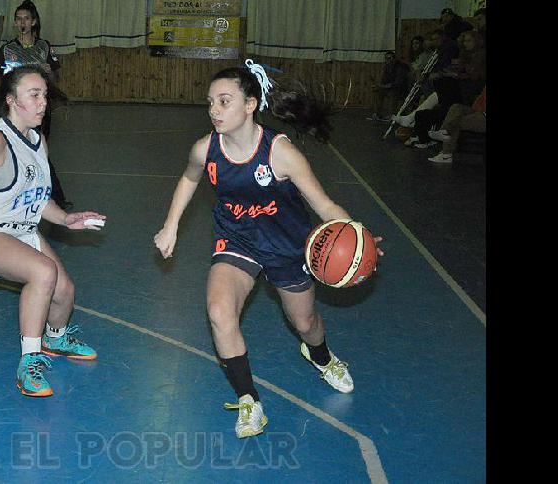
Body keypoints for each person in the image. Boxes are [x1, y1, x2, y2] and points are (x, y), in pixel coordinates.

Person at [153, 60, 385, 438]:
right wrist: (171, 224)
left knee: (305, 324)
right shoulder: (205, 149)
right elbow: (189, 178)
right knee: (218, 311)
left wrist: (356, 235)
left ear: (250, 105)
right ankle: (249, 400)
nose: (214, 110)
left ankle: (322, 356)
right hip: (238, 241)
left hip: (288, 248)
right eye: (210, 102)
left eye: (224, 101)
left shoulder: (280, 153)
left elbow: (324, 207)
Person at [0, 65, 106, 398]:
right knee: (43, 273)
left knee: (65, 293)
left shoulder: (38, 140)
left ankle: (55, 337)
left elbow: (35, 195)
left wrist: (65, 219)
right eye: (34, 95)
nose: (42, 102)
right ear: (11, 100)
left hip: (19, 227)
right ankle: (28, 363)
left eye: (44, 95)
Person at [0, 0, 72, 210]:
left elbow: (53, 77)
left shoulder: (44, 47)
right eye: (18, 19)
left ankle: (54, 198)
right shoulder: (7, 50)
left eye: (26, 18)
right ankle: (7, 193)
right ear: (15, 23)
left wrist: (48, 72)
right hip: (16, 110)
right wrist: (6, 92)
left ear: (33, 22)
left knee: (38, 149)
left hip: (38, 110)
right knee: (11, 148)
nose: (22, 22)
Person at [426, 86, 486, 163]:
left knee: (456, 121)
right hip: (478, 111)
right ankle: (443, 131)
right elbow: (479, 101)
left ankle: (446, 154)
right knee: (456, 107)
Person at [371, 51, 410, 121]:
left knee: (393, 93)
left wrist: (383, 86)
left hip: (401, 89)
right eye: (386, 58)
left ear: (394, 59)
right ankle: (377, 114)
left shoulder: (400, 67)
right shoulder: (386, 67)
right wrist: (379, 86)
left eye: (390, 58)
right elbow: (384, 80)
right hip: (391, 88)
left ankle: (391, 115)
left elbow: (397, 83)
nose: (388, 60)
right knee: (379, 92)